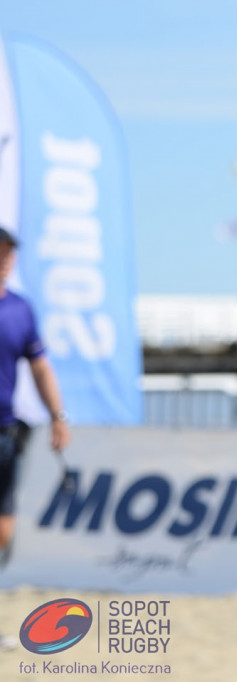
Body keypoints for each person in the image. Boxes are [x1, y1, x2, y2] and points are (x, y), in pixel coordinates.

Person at [0, 225, 71, 650]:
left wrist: (58, 417)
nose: (4, 259)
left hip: (7, 431)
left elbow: (41, 367)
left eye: (8, 253)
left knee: (5, 529)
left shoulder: (21, 310)